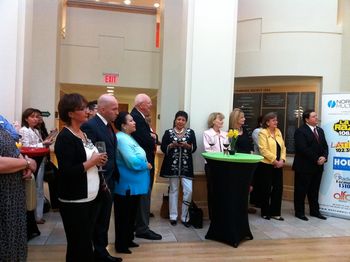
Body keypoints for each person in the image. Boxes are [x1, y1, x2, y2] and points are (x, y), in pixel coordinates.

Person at [55, 93, 111, 262]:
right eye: (82, 108)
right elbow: (66, 172)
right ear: (70, 113)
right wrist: (92, 161)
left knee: (86, 243)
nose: (87, 111)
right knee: (78, 245)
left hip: (91, 196)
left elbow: (90, 159)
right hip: (75, 199)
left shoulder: (83, 134)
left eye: (87, 108)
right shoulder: (65, 137)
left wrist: (99, 160)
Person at [80, 94, 121, 262]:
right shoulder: (91, 126)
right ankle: (96, 252)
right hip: (99, 180)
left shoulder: (108, 125)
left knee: (104, 219)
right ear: (102, 109)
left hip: (108, 180)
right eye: (114, 109)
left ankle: (101, 252)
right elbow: (90, 154)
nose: (117, 112)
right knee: (96, 219)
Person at [113, 112, 151, 254]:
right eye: (130, 120)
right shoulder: (121, 139)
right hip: (126, 186)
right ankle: (121, 245)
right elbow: (132, 162)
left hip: (135, 187)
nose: (134, 122)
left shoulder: (129, 137)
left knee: (130, 216)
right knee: (123, 217)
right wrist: (145, 165)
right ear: (123, 125)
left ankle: (128, 239)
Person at [0, 123, 37, 261]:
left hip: (13, 195)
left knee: (14, 237)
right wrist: (26, 164)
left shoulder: (1, 123)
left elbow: (14, 149)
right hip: (3, 194)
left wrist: (24, 160)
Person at [130, 93, 162, 240]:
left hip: (143, 162)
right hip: (142, 163)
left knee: (143, 195)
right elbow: (146, 140)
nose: (151, 106)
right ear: (141, 104)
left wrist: (152, 138)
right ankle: (142, 228)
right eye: (149, 103)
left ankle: (139, 224)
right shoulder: (136, 118)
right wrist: (152, 139)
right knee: (143, 195)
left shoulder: (139, 118)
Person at [160, 110, 197, 227]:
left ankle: (185, 217)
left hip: (187, 166)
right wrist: (171, 145)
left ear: (186, 121)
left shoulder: (191, 133)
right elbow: (162, 148)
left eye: (183, 120)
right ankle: (173, 216)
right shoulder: (168, 132)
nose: (180, 121)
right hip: (172, 166)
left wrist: (187, 146)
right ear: (175, 120)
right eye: (178, 119)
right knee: (173, 190)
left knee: (188, 190)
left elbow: (194, 147)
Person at [19, 108, 54, 227]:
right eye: (32, 116)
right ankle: (33, 216)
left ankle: (38, 215)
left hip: (40, 159)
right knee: (34, 188)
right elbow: (26, 146)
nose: (35, 119)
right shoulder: (24, 130)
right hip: (31, 161)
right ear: (26, 118)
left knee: (39, 189)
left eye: (37, 117)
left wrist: (45, 143)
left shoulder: (36, 130)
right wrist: (43, 144)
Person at [293, 110, 328, 221]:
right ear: (307, 119)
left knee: (314, 190)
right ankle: (299, 212)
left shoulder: (320, 130)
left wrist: (324, 157)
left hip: (318, 167)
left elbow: (325, 147)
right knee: (301, 190)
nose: (316, 118)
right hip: (304, 166)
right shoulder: (300, 131)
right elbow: (303, 148)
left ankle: (315, 211)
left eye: (316, 116)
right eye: (313, 116)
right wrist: (317, 158)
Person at [258, 112, 286, 221]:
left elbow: (283, 148)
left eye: (276, 120)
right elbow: (263, 150)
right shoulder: (263, 133)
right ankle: (265, 212)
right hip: (267, 165)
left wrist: (282, 160)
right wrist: (275, 161)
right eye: (274, 120)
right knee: (266, 189)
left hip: (279, 165)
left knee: (278, 189)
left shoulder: (278, 131)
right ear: (267, 122)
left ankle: (275, 213)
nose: (276, 122)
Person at [203, 112, 227, 219]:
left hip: (224, 166)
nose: (222, 121)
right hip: (211, 166)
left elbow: (227, 149)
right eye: (219, 119)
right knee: (212, 190)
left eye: (222, 119)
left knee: (222, 190)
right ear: (213, 121)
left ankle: (221, 214)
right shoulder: (207, 133)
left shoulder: (225, 134)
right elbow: (208, 150)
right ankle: (212, 216)